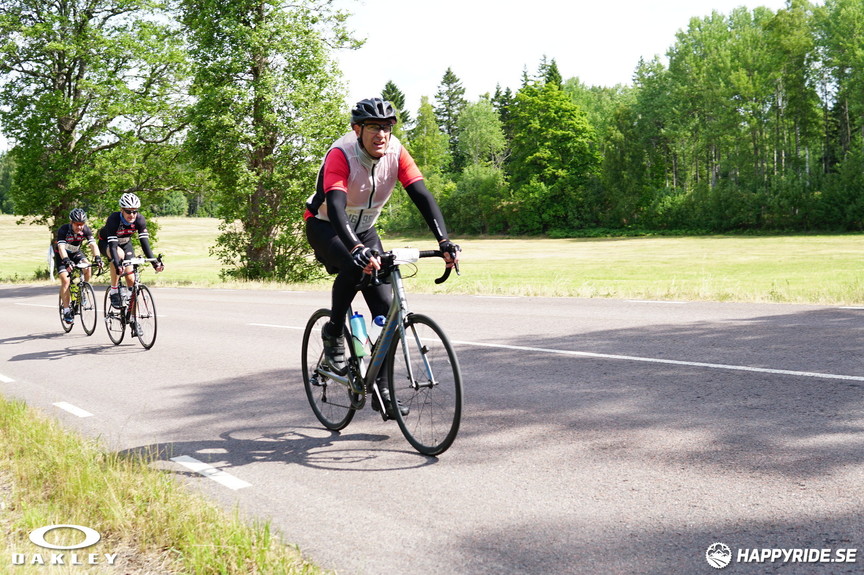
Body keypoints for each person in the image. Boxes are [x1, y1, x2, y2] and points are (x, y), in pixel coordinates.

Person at [304, 97, 460, 418]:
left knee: (387, 313)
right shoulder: (341, 154)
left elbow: (421, 195)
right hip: (326, 226)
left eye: (387, 127)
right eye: (374, 127)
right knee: (354, 266)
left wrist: (443, 241)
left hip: (366, 230)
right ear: (357, 129)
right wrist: (356, 249)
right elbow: (335, 207)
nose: (382, 134)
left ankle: (382, 391)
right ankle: (333, 331)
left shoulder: (396, 153)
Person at [97, 193, 164, 314]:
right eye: (128, 211)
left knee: (131, 280)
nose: (132, 215)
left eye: (135, 211)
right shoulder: (113, 219)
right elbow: (113, 246)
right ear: (121, 210)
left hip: (125, 242)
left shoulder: (140, 219)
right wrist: (117, 265)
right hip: (107, 243)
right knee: (119, 255)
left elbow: (145, 244)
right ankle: (114, 290)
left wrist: (154, 263)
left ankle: (133, 318)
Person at [54, 208, 102, 324]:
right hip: (62, 255)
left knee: (88, 267)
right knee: (66, 280)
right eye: (77, 224)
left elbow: (93, 245)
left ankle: (83, 290)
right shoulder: (64, 230)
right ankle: (66, 310)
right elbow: (61, 248)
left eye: (82, 224)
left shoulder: (85, 229)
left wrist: (98, 258)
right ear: (71, 222)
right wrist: (66, 261)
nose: (80, 227)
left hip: (75, 253)